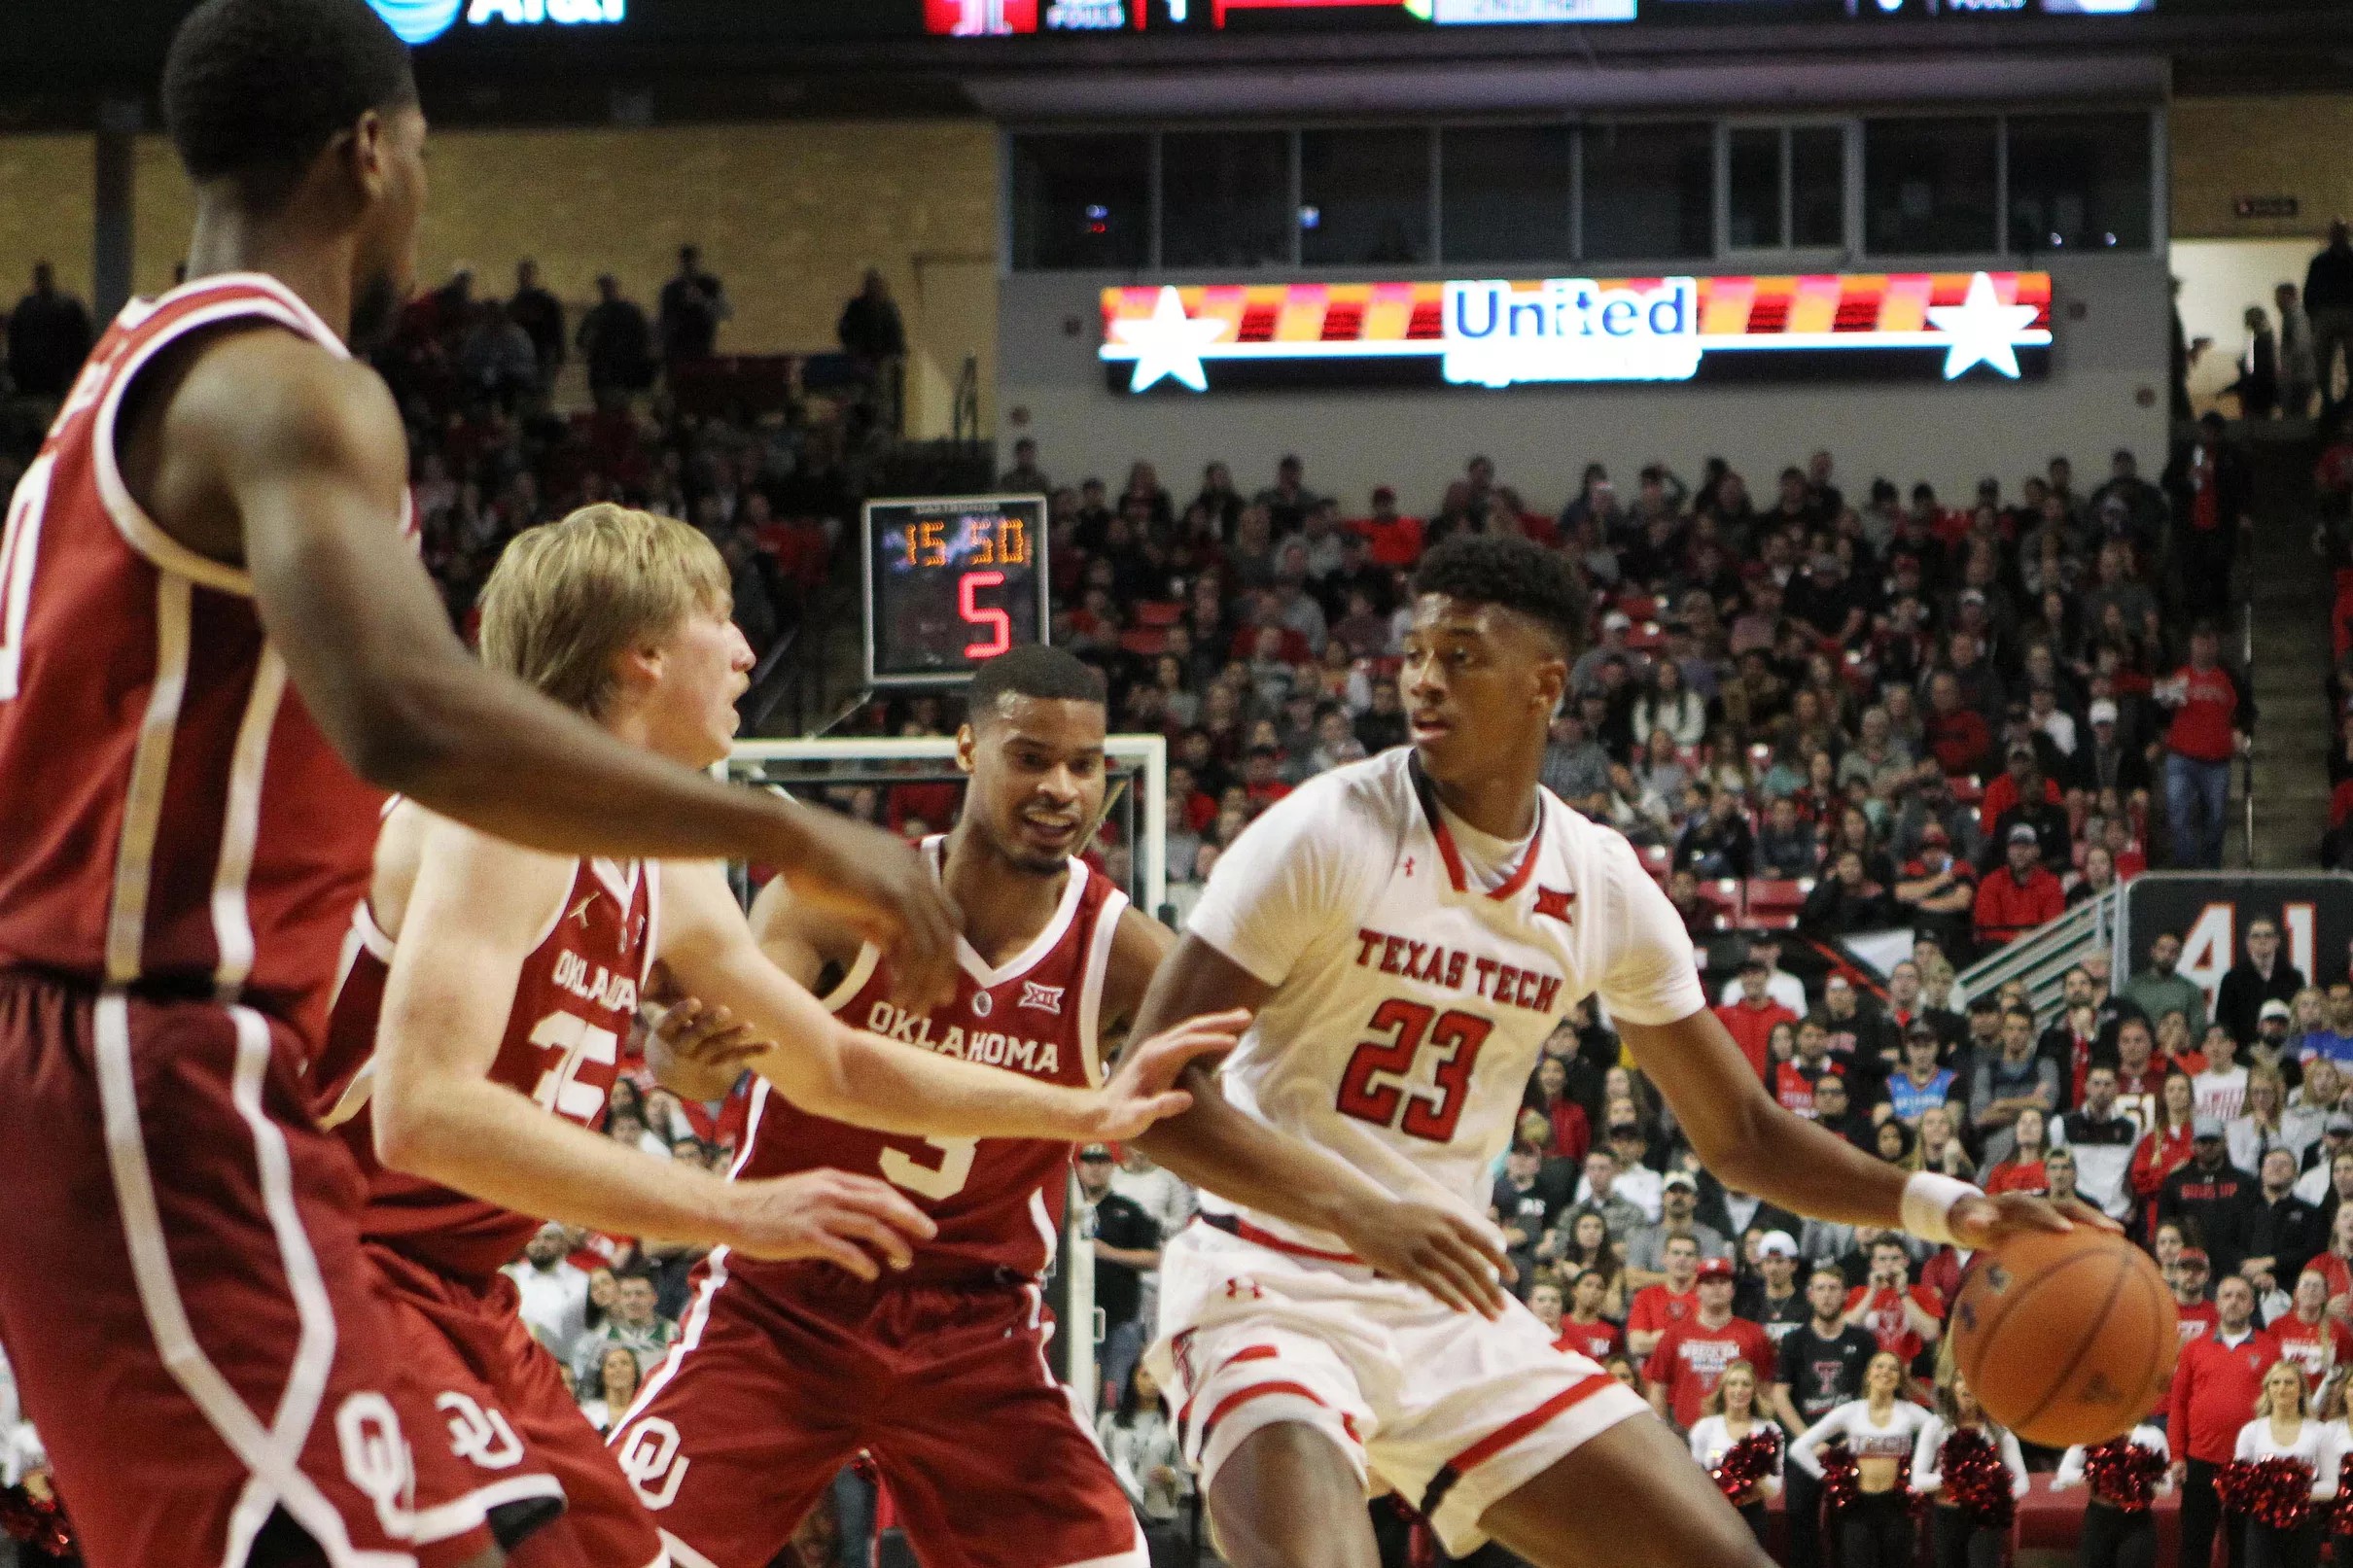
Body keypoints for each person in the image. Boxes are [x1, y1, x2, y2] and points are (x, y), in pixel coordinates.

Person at [0, 5, 966, 1567]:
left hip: (177, 1077)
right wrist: (784, 821)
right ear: (369, 153)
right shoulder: (291, 384)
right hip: (138, 1058)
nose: (424, 200)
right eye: (427, 159)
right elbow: (409, 716)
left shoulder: (128, 379)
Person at [1122, 534, 2087, 1568]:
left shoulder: (1601, 881)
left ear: (1545, 683)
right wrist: (1361, 1208)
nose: (1422, 679)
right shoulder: (1323, 828)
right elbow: (1153, 1090)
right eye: (1414, 653)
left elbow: (1745, 1133)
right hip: (1265, 1281)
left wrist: (1952, 1207)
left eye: (1460, 655)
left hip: (1446, 1306)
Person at [312, 519, 1233, 1566]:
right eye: (720, 620)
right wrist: (738, 1207)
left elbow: (833, 1062)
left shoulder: (667, 856)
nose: (748, 650)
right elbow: (426, 1112)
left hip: (458, 1292)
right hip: (328, 1264)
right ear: (643, 654)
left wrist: (1082, 1109)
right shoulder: (508, 806)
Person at [615, 646, 1242, 1568]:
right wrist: (681, 1053)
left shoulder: (1128, 952)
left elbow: (1205, 1130)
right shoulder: (833, 901)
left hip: (973, 1330)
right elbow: (707, 1066)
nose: (1062, 786)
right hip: (786, 1305)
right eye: (1029, 756)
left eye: (1083, 764)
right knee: (608, 1553)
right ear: (965, 750)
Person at [1772, 1265, 1880, 1568]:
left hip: (1850, 1445)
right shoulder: (1794, 1340)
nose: (1827, 1295)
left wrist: (1852, 1439)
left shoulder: (1863, 1341)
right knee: (1800, 1520)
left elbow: (1875, 1392)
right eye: (1820, 1288)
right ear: (1809, 1295)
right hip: (1805, 1445)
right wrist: (1810, 1441)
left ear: (1846, 1294)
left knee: (1852, 1526)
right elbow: (1779, 1395)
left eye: (1834, 1288)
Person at [2170, 1275, 2278, 1568]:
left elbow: (2278, 1408)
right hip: (2200, 1460)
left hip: (2249, 1463)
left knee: (2244, 1546)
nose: (2233, 1301)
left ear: (2251, 1305)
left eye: (2241, 1296)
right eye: (2227, 1295)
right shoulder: (2193, 1348)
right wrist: (2177, 1455)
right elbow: (2177, 1404)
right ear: (2216, 1303)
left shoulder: (2270, 1349)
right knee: (2194, 1544)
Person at [1790, 1352, 1932, 1568]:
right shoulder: (1851, 1411)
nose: (1885, 1372)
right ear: (1868, 1375)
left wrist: (1922, 1471)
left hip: (1897, 1506)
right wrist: (1829, 1478)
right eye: (1879, 1366)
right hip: (1858, 1507)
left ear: (1899, 1379)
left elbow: (1945, 1438)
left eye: (1893, 1368)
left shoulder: (1910, 1412)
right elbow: (1799, 1448)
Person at [1913, 1372, 2028, 1568]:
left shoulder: (1999, 1431)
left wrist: (1997, 1493)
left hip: (1985, 1518)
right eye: (1960, 1380)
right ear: (1952, 1388)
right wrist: (1955, 1478)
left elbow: (2023, 1482)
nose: (1967, 1385)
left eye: (1974, 1380)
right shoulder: (1935, 1427)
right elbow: (1917, 1481)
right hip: (1947, 1516)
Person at [1643, 1258, 1773, 1432]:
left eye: (1723, 1282)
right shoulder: (1675, 1334)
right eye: (1709, 1282)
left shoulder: (1754, 1334)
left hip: (1738, 1433)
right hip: (1686, 1433)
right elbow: (1658, 1389)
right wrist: (1662, 1432)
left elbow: (1765, 1389)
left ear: (1732, 1290)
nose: (1716, 1287)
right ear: (1697, 1290)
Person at [2231, 1360, 2337, 1568]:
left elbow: (2331, 1486)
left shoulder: (2319, 1431)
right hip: (2261, 1523)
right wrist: (2268, 1493)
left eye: (2289, 1383)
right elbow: (2239, 1481)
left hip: (2304, 1523)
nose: (2282, 1388)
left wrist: (2292, 1490)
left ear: (2301, 1390)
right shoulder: (2251, 1431)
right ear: (2267, 1389)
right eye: (2276, 1382)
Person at [1100, 1364, 1194, 1568]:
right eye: (1145, 1375)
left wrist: (1170, 1474)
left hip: (1157, 1520)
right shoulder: (1111, 1422)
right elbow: (1096, 1465)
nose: (1151, 1382)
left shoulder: (1173, 1426)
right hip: (1119, 1519)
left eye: (1156, 1377)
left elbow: (1186, 1481)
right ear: (1134, 1378)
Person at [1686, 1361, 1781, 1548]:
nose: (1739, 1390)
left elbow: (1774, 1487)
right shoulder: (1704, 1428)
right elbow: (1694, 1478)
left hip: (1753, 1516)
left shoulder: (1770, 1429)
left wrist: (1751, 1476)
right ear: (1723, 1389)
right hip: (1714, 1515)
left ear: (1754, 1391)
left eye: (1746, 1384)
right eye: (1733, 1383)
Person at [2052, 1424, 2170, 1568]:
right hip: (2099, 1519)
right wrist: (2101, 1476)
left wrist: (2134, 1479)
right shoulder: (2093, 1432)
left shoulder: (2152, 1435)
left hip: (2137, 1522)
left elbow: (2166, 1487)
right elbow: (2064, 1474)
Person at [2163, 1116, 2263, 1277]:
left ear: (2224, 1142)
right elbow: (2166, 1223)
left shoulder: (2244, 1181)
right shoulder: (2175, 1181)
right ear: (2193, 1145)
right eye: (2203, 1142)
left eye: (2214, 1141)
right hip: (2189, 1265)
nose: (2208, 1147)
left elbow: (2255, 1226)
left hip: (2234, 1266)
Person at [503, 1221, 591, 1369]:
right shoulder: (510, 1275)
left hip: (562, 1366)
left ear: (563, 1244)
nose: (541, 1244)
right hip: (512, 1362)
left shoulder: (583, 1282)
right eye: (534, 1238)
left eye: (548, 1238)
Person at [4, 261, 92, 401]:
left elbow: (14, 345)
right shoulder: (68, 306)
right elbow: (83, 341)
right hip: (59, 379)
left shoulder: (25, 308)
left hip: (33, 379)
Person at [1973, 823, 2066, 948]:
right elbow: (1987, 929)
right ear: (2007, 850)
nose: (2020, 852)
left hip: (2039, 947)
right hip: (2001, 949)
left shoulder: (2050, 882)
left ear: (2036, 851)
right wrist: (2015, 938)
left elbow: (2054, 926)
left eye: (2026, 847)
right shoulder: (1991, 882)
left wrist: (2030, 938)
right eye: (2015, 847)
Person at [2221, 921, 2308, 1049]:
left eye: (2268, 935)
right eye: (2256, 936)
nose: (2262, 940)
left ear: (2277, 941)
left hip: (2287, 1053)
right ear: (2248, 942)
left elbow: (2301, 1019)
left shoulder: (2294, 978)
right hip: (2245, 1055)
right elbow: (2224, 1023)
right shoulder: (2232, 979)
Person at [576, 273, 654, 403]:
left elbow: (582, 341)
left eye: (607, 286)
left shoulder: (600, 313)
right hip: (610, 370)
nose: (606, 290)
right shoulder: (627, 311)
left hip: (615, 369)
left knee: (613, 407)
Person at [2305, 219, 2353, 422]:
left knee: (2350, 358)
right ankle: (2327, 398)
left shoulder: (2326, 261)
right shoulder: (2320, 261)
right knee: (2323, 359)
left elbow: (2310, 291)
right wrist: (2314, 315)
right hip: (2326, 313)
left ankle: (2347, 399)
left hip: (2347, 312)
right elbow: (2310, 291)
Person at [2126, 931, 2209, 1042]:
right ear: (2153, 951)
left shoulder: (2190, 989)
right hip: (2141, 1052)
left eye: (2173, 951)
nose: (2167, 955)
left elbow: (2198, 1030)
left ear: (2180, 956)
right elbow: (2122, 1025)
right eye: (2162, 949)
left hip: (2177, 1053)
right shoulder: (2133, 987)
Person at [656, 242, 728, 368]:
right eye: (686, 261)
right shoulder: (671, 289)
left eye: (692, 261)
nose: (689, 265)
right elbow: (663, 320)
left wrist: (702, 301)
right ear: (681, 263)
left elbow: (725, 312)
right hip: (676, 349)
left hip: (702, 346)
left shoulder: (710, 285)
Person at [1555, 1269, 1625, 1364]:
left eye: (1599, 1287)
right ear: (1574, 1290)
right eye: (1588, 1285)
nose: (1593, 1291)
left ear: (1604, 1294)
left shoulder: (1611, 1333)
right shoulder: (1557, 1324)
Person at [576, 1343, 641, 1437]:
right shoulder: (585, 1414)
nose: (618, 1369)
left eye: (625, 1363)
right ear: (602, 1375)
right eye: (611, 1365)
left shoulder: (646, 1411)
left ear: (635, 1372)